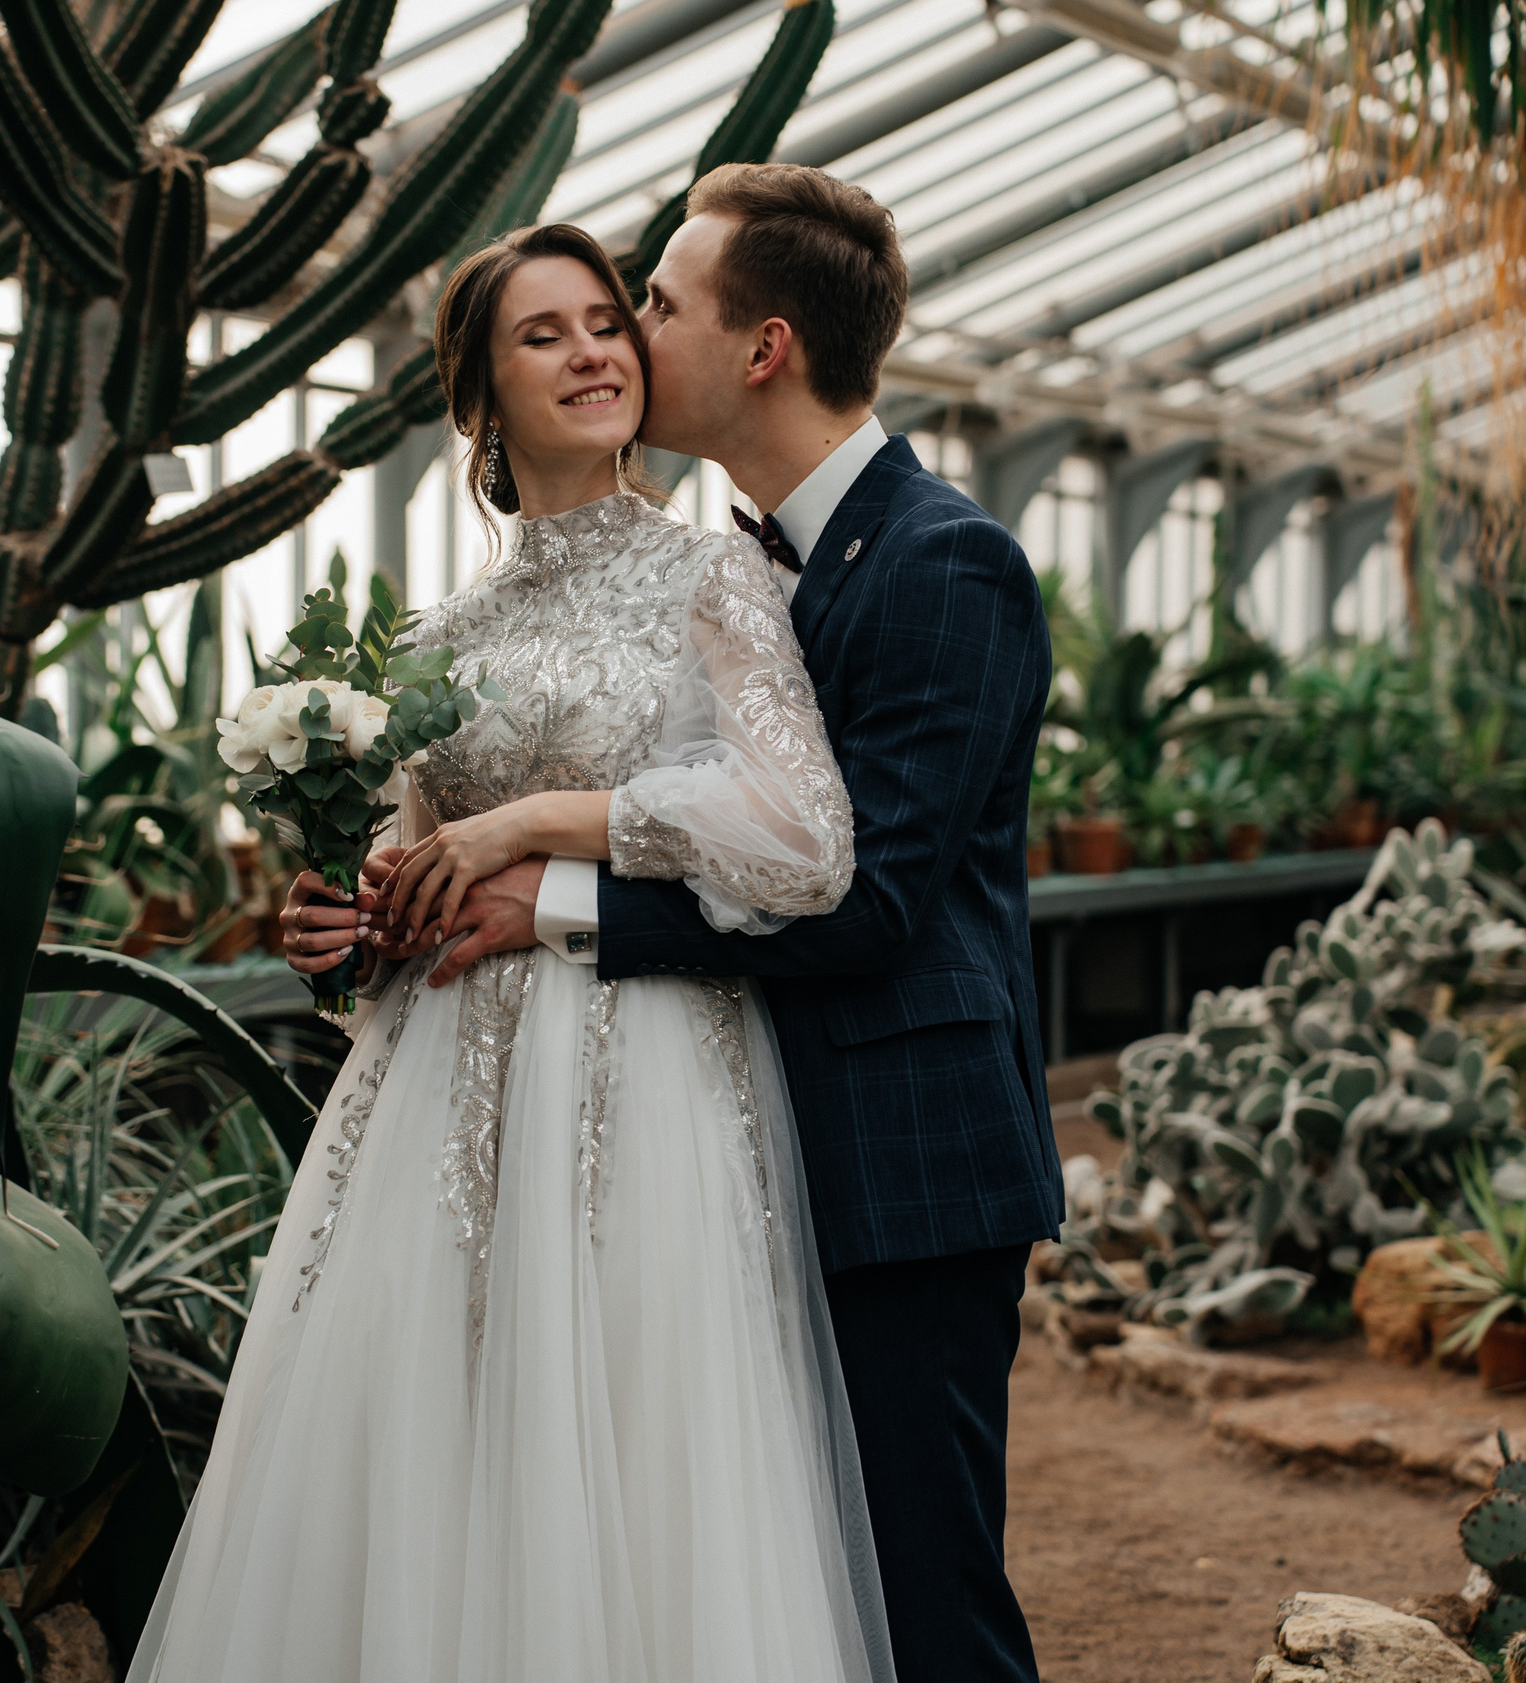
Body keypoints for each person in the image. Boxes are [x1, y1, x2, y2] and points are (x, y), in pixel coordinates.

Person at [126, 222, 892, 1682]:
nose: (595, 352)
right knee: (435, 1449)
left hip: (649, 1084)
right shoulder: (435, 637)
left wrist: (539, 825)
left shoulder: (716, 578)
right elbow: (412, 877)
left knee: (637, 1453)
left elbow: (804, 841)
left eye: (607, 321)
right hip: (438, 1103)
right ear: (479, 395)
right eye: (545, 335)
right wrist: (339, 929)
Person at [375, 165, 1062, 1682]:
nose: (628, 335)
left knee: (925, 1598)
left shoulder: (943, 560)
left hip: (904, 1155)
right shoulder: (751, 557)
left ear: (763, 349)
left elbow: (868, 898)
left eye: (656, 305)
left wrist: (551, 889)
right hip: (728, 1137)